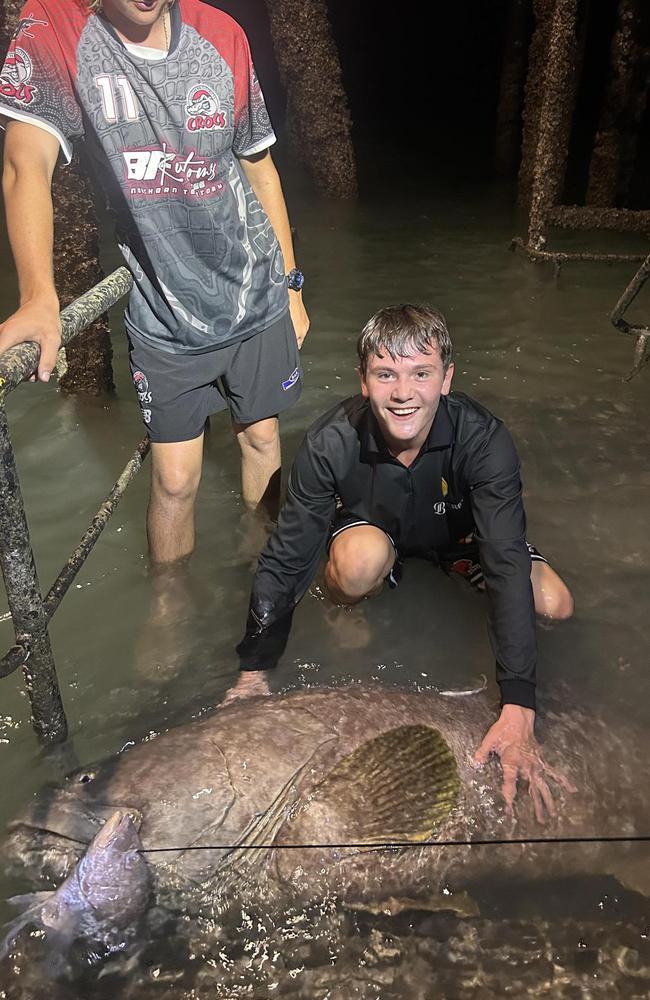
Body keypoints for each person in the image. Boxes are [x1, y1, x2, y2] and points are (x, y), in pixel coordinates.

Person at [233, 304, 575, 822]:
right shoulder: (331, 442)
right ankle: (344, 605)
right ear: (363, 381)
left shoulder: (484, 440)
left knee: (553, 602)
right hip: (376, 533)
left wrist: (519, 704)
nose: (403, 392)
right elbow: (287, 555)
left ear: (447, 379)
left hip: (462, 540)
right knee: (358, 562)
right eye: (385, 374)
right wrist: (254, 670)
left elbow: (505, 560)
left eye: (421, 373)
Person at [0, 0, 309, 563]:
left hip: (255, 292)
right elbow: (25, 161)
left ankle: (266, 568)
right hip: (163, 313)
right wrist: (38, 296)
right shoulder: (57, 26)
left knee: (263, 439)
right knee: (173, 479)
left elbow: (259, 170)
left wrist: (292, 285)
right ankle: (169, 612)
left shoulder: (222, 34)